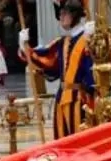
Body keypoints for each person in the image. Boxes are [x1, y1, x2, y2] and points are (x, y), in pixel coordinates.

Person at [19, 0, 95, 139]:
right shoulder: (62, 42)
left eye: (64, 13)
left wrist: (93, 42)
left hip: (80, 101)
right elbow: (46, 61)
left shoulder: (89, 39)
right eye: (60, 14)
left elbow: (95, 71)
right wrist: (25, 47)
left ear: (75, 15)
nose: (61, 17)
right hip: (62, 98)